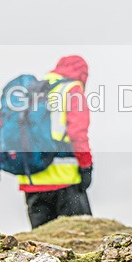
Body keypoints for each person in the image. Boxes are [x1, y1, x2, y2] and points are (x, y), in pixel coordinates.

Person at [18, 55, 94, 229]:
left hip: (32, 178)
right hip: (65, 181)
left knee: (42, 243)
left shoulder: (33, 89)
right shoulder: (72, 90)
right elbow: (78, 135)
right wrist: (86, 166)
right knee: (81, 238)